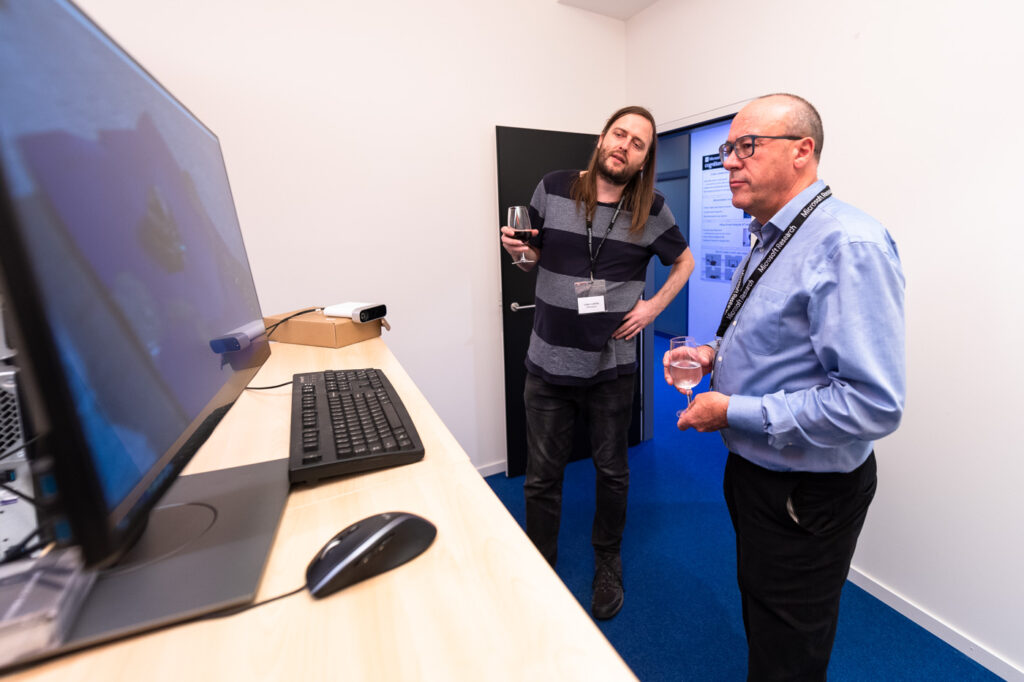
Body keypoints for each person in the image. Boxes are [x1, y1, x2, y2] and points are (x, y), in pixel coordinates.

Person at [664, 93, 905, 679]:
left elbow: (872, 404)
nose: (729, 162)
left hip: (806, 494)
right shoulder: (770, 235)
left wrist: (733, 410)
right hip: (756, 475)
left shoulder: (847, 244)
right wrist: (711, 353)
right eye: (728, 149)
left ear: (803, 152)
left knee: (789, 651)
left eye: (747, 146)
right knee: (767, 622)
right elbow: (768, 335)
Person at [501, 105, 695, 620]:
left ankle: (607, 559)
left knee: (612, 473)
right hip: (546, 362)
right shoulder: (553, 186)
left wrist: (653, 307)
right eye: (620, 134)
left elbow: (685, 260)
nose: (625, 146)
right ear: (603, 137)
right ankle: (540, 562)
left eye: (638, 143)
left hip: (610, 368)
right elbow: (531, 258)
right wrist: (517, 253)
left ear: (643, 158)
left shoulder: (651, 208)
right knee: (542, 476)